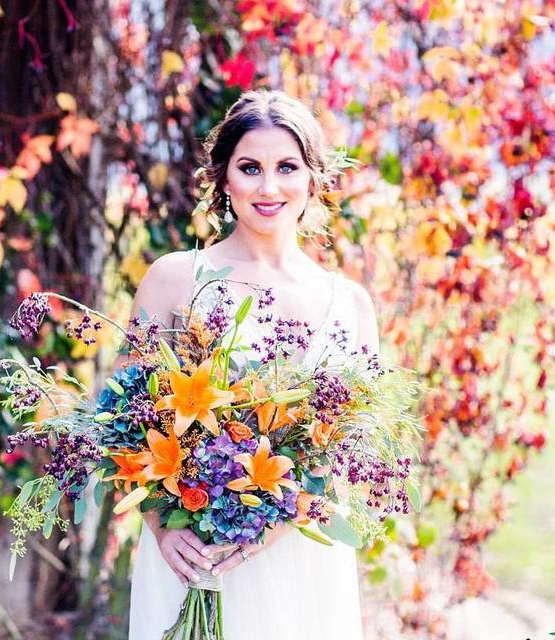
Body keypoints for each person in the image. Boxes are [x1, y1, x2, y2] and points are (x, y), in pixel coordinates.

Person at [122, 90, 380, 640]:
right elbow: (124, 423)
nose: (268, 187)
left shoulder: (349, 305)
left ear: (313, 178)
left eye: (286, 167)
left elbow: (353, 452)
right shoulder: (175, 279)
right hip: (193, 558)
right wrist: (163, 530)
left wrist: (278, 522)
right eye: (250, 168)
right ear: (223, 178)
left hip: (302, 563)